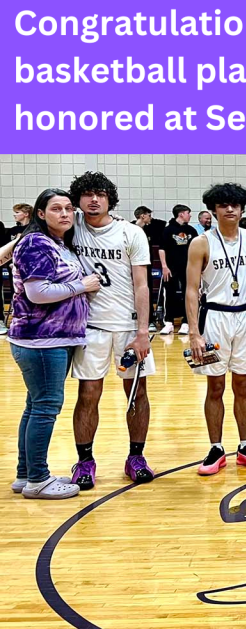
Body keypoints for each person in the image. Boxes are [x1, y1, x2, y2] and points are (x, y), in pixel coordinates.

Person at [4, 189, 101, 499]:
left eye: (69, 208)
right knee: (45, 407)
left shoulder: (54, 243)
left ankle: (26, 474)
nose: (65, 213)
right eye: (56, 208)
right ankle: (38, 480)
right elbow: (38, 293)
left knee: (35, 406)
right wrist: (81, 286)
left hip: (50, 339)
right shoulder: (36, 243)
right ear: (40, 214)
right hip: (42, 340)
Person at [65, 172, 157, 490]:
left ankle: (136, 457)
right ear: (77, 200)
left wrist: (143, 332)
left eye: (100, 194)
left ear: (109, 200)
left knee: (137, 394)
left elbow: (142, 284)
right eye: (87, 194)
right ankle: (85, 460)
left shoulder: (130, 233)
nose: (94, 200)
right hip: (90, 327)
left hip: (129, 327)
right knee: (89, 394)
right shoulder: (70, 227)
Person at [185, 183, 246, 475]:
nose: (229, 209)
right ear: (214, 210)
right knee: (215, 386)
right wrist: (194, 333)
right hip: (215, 319)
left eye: (234, 204)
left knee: (243, 385)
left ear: (242, 208)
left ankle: (245, 445)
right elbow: (192, 290)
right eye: (223, 205)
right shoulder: (201, 243)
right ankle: (216, 447)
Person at [159, 204, 197, 334]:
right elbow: (162, 249)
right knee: (169, 293)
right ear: (181, 214)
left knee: (189, 293)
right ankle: (168, 322)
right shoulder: (168, 230)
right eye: (188, 213)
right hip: (171, 267)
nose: (190, 215)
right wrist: (164, 266)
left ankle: (186, 322)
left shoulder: (192, 230)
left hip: (189, 268)